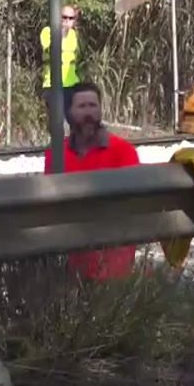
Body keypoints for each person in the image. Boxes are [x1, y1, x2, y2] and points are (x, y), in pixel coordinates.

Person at [43, 81, 143, 282]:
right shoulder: (55, 154)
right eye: (82, 106)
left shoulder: (123, 151)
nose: (89, 112)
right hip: (70, 260)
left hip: (112, 259)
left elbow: (132, 207)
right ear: (69, 113)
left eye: (93, 105)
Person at [40, 5, 82, 116]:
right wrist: (62, 32)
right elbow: (50, 48)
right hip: (52, 84)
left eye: (71, 18)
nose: (67, 21)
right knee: (58, 122)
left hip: (71, 84)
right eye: (64, 17)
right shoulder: (47, 31)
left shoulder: (74, 34)